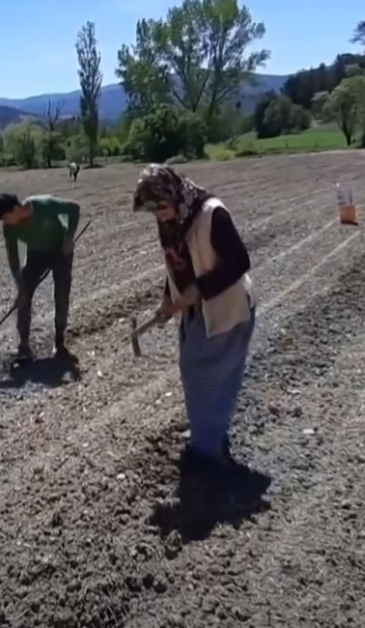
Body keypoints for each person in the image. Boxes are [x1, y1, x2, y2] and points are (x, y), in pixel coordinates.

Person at [132, 164, 255, 470]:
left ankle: (209, 453)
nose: (158, 218)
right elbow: (176, 262)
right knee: (193, 369)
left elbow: (240, 262)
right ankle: (207, 439)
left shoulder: (212, 214)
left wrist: (197, 290)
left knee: (208, 374)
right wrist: (169, 297)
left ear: (172, 197)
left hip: (227, 307)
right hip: (197, 309)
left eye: (159, 209)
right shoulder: (171, 218)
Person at [0, 192, 80, 363]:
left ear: (16, 210)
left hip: (61, 251)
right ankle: (23, 346)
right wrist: (20, 284)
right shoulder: (9, 228)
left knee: (61, 293)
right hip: (36, 254)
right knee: (23, 297)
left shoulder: (43, 205)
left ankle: (59, 343)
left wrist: (69, 237)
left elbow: (74, 208)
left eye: (5, 217)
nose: (4, 222)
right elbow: (13, 256)